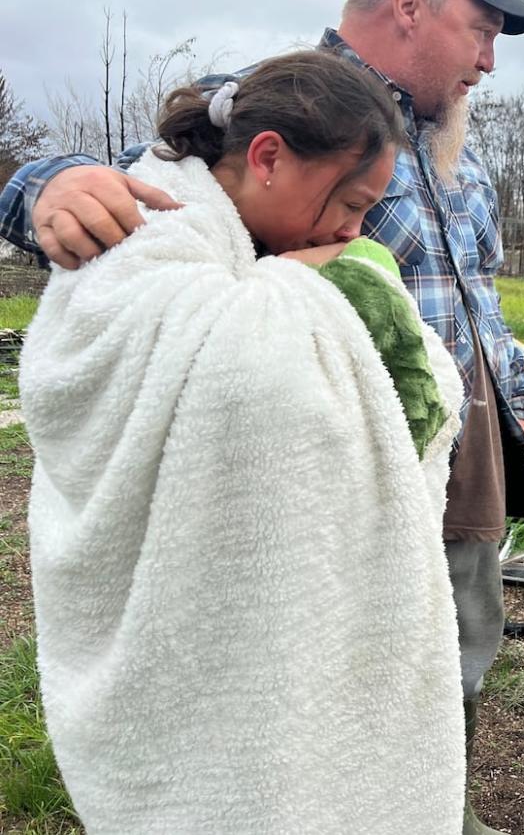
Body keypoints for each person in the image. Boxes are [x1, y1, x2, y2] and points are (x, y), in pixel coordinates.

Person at [0, 0, 524, 834]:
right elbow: (145, 197)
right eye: (481, 31)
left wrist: (513, 406)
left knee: (448, 647)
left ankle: (424, 798)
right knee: (315, 656)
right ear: (409, 6)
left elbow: (482, 299)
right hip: (323, 448)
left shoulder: (457, 158)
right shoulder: (280, 108)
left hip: (452, 437)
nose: (489, 60)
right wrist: (46, 185)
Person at [21, 50, 469, 833]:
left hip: (280, 653)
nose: (354, 231)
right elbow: (86, 369)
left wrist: (333, 273)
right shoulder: (146, 226)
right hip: (195, 659)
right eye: (349, 202)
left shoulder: (268, 252)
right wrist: (325, 282)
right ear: (267, 157)